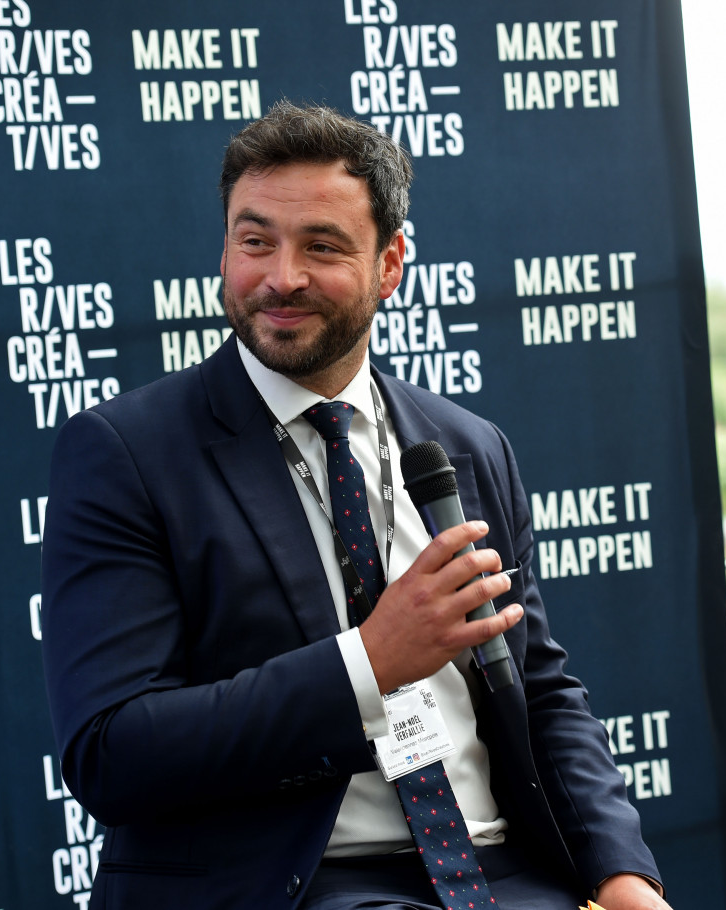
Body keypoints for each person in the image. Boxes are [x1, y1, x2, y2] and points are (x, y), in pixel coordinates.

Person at [41, 101, 670, 910]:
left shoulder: (469, 445)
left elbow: (538, 688)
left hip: (502, 875)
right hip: (292, 886)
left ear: (391, 263)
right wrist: (368, 664)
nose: (281, 277)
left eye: (322, 246)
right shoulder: (126, 454)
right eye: (254, 240)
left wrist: (623, 874)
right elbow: (111, 752)